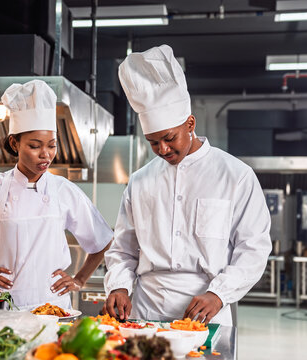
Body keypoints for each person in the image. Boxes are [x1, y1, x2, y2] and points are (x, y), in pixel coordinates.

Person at [103, 45, 271, 326]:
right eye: (153, 142)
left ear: (190, 123)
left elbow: (253, 248)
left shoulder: (235, 175)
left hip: (205, 310)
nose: (163, 149)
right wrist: (119, 285)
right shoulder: (140, 181)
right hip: (145, 313)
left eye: (170, 138)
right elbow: (123, 248)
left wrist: (219, 294)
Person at [0, 80, 113, 310]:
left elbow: (103, 240)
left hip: (54, 307)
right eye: (35, 146)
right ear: (15, 143)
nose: (45, 155)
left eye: (52, 146)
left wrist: (79, 279)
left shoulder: (63, 190)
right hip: (4, 307)